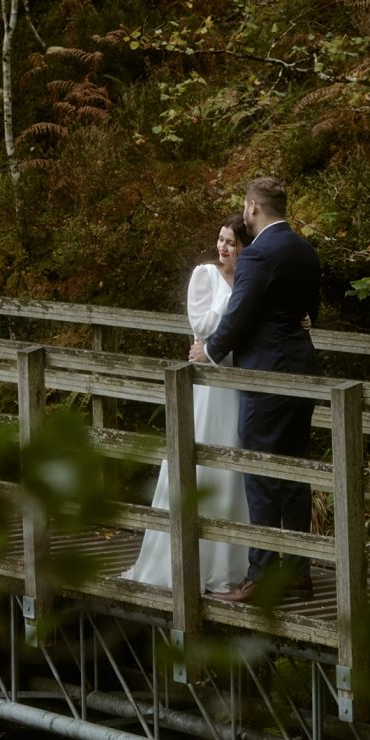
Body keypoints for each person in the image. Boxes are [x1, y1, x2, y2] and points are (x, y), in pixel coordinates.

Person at [190, 177, 321, 603]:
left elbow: (239, 317)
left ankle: (261, 576)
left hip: (267, 375)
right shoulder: (305, 250)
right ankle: (299, 571)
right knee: (295, 470)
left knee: (260, 468)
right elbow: (308, 312)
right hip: (302, 367)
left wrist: (209, 351)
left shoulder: (259, 254)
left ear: (251, 207)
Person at [122, 214, 252, 593]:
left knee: (234, 468)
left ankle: (232, 564)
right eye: (221, 239)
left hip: (237, 382)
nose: (223, 247)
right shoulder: (205, 276)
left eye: (231, 242)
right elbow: (201, 327)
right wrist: (233, 302)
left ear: (245, 248)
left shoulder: (249, 279)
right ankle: (185, 562)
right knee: (200, 462)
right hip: (209, 384)